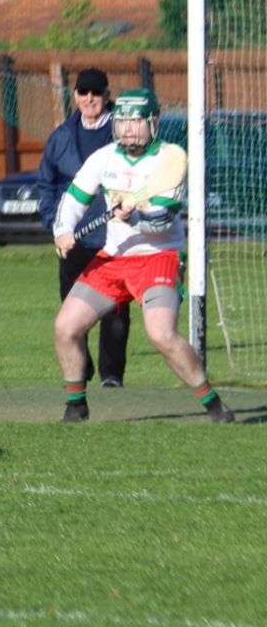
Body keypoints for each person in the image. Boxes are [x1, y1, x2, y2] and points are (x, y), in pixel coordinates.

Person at [52, 88, 234, 424]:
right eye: (122, 122)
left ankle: (213, 403)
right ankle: (76, 405)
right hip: (113, 258)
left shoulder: (170, 159)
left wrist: (133, 216)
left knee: (161, 333)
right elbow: (74, 197)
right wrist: (63, 230)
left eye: (136, 122)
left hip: (158, 256)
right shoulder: (104, 158)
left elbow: (162, 220)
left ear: (154, 122)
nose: (128, 129)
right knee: (66, 327)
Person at [38, 67, 131, 389]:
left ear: (107, 96)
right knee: (72, 309)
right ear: (75, 96)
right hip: (74, 240)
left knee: (115, 309)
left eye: (95, 92)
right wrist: (54, 222)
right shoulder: (61, 136)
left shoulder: (122, 134)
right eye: (83, 92)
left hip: (113, 238)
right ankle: (83, 367)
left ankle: (111, 375)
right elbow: (47, 183)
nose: (89, 98)